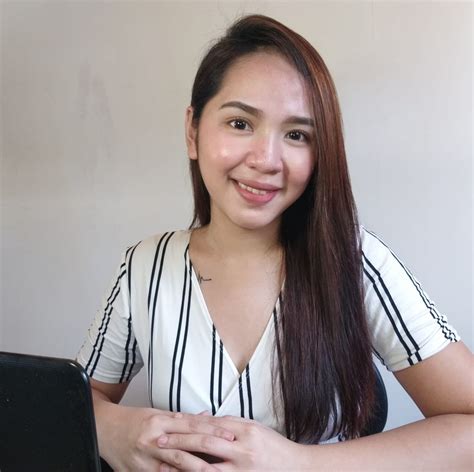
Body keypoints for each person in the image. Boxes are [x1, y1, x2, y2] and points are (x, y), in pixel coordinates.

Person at [77, 14, 473, 471]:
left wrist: (300, 463)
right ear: (193, 130)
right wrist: (113, 427)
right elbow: (76, 398)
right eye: (240, 123)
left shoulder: (355, 260)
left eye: (297, 135)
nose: (266, 160)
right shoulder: (144, 267)